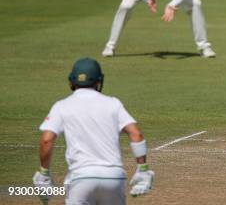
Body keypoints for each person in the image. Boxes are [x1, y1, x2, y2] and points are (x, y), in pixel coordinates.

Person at [33, 58, 154, 204]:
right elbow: (136, 134)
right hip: (114, 178)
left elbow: (47, 140)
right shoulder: (113, 103)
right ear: (99, 81)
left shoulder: (62, 106)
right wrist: (143, 168)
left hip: (81, 178)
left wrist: (44, 173)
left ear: (71, 81)